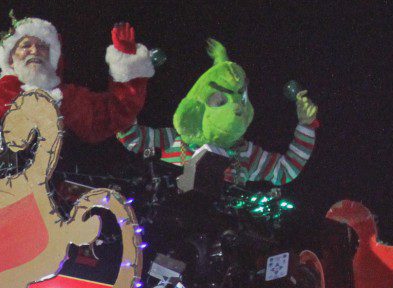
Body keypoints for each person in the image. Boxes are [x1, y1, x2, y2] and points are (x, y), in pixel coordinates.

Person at [0, 16, 155, 159]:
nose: (35, 51)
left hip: (58, 204)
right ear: (10, 57)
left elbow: (117, 112)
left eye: (42, 46)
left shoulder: (71, 98)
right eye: (25, 45)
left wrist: (127, 63)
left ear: (52, 57)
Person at [117, 39, 320, 185]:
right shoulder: (176, 142)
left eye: (239, 100)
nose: (234, 108)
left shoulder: (246, 154)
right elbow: (130, 136)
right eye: (220, 100)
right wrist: (132, 88)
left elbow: (286, 170)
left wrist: (306, 126)